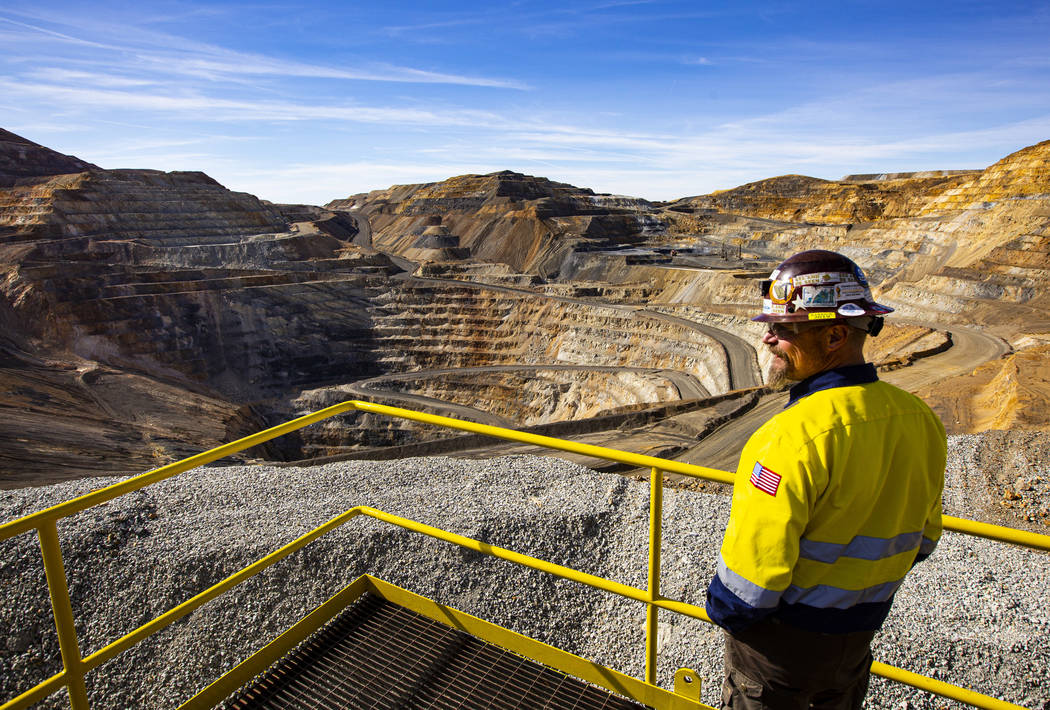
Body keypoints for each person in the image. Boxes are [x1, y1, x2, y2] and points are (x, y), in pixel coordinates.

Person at [705, 250, 946, 709]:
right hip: (855, 645)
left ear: (835, 334)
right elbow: (924, 541)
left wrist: (726, 611)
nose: (768, 338)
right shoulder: (920, 420)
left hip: (778, 661)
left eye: (784, 329)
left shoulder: (789, 437)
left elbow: (746, 591)